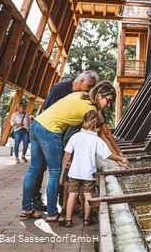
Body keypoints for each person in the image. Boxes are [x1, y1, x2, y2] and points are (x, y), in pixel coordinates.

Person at [19, 80, 117, 222]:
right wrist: (119, 155)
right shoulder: (91, 110)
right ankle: (52, 213)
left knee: (34, 169)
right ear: (100, 95)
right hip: (50, 130)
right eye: (108, 101)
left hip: (37, 125)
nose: (108, 105)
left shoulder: (80, 95)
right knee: (55, 172)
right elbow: (105, 135)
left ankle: (26, 207)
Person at [31, 70, 100, 211]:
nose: (91, 89)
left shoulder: (81, 96)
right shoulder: (60, 88)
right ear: (81, 81)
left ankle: (61, 202)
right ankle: (38, 201)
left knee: (60, 170)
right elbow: (46, 110)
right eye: (90, 85)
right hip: (50, 131)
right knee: (45, 169)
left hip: (59, 133)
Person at [60, 110, 129, 227]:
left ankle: (68, 219)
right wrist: (120, 159)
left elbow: (67, 152)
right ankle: (87, 219)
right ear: (96, 126)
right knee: (88, 195)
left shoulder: (75, 136)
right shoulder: (97, 140)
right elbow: (107, 155)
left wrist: (68, 162)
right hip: (89, 173)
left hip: (74, 172)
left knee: (72, 194)